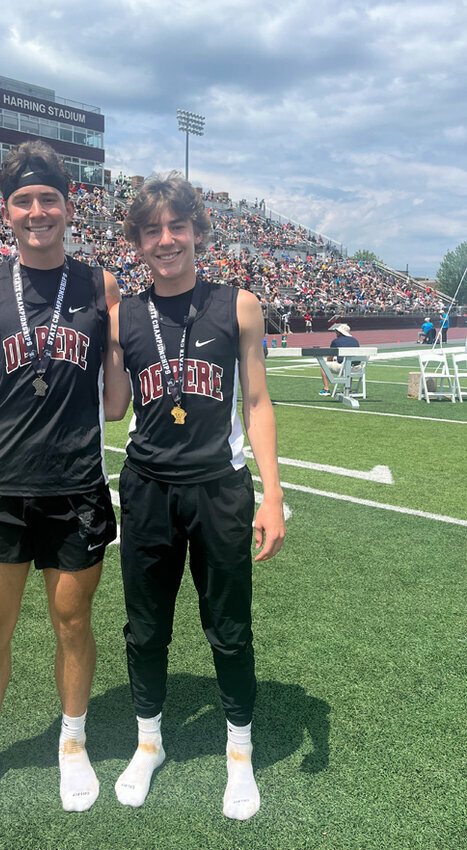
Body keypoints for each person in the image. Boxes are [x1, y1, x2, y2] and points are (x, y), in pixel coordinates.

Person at [0, 140, 120, 822]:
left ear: (70, 206)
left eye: (48, 199)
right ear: (5, 211)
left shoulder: (101, 287)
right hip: (0, 485)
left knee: (73, 622)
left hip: (76, 485)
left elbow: (117, 398)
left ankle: (73, 743)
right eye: (23, 202)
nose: (36, 212)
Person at [103, 174, 285, 821]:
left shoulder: (238, 304)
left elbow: (257, 402)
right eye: (150, 230)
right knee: (145, 628)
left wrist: (270, 493)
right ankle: (147, 743)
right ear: (136, 242)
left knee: (229, 630)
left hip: (219, 488)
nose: (164, 240)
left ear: (198, 231)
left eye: (176, 226)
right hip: (148, 487)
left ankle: (240, 750)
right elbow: (115, 406)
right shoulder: (121, 315)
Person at [319, 322, 360, 395]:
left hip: (344, 367)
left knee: (323, 366)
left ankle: (326, 389)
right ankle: (348, 388)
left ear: (340, 332)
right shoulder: (355, 340)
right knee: (349, 364)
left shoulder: (336, 341)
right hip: (357, 368)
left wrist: (332, 360)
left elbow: (330, 357)